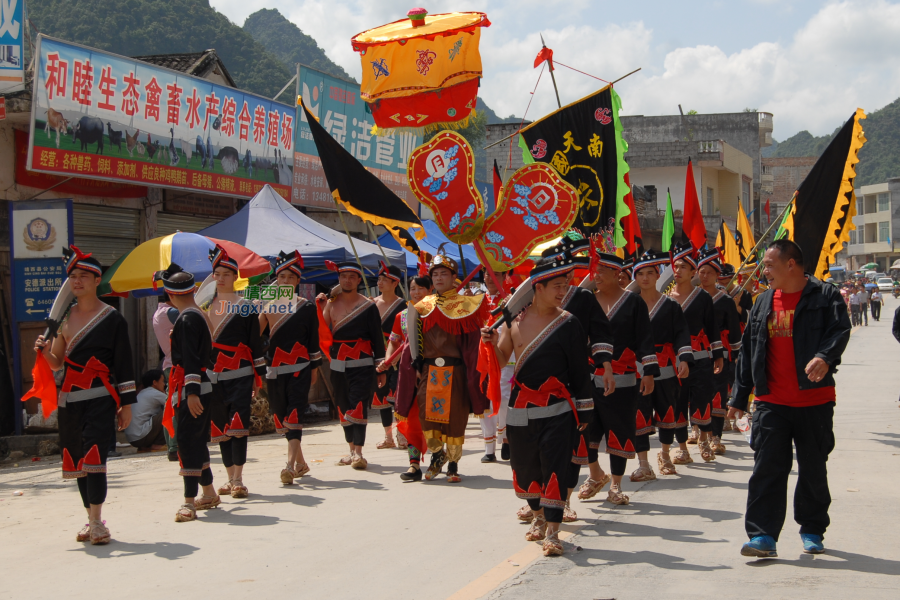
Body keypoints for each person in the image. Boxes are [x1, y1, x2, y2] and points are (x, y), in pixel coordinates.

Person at [729, 239, 851, 557]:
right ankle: (762, 536)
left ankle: (811, 529)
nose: (764, 270)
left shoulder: (825, 296)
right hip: (772, 402)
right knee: (767, 468)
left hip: (815, 400)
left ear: (791, 264)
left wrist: (824, 357)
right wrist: (738, 397)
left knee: (812, 468)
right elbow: (749, 352)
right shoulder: (762, 302)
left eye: (769, 265)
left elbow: (840, 329)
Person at [482, 255, 594, 556]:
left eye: (565, 285)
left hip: (558, 408)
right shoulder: (513, 320)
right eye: (557, 286)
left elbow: (580, 371)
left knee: (554, 466)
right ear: (538, 287)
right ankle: (538, 514)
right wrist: (491, 342)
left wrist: (585, 410)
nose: (563, 291)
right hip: (520, 407)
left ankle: (554, 533)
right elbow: (504, 358)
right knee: (525, 466)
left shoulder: (569, 323)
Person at [33, 246, 136, 545]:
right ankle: (91, 519)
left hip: (100, 400)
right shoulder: (65, 319)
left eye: (83, 276)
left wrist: (127, 404)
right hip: (70, 402)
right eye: (73, 276)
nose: (77, 281)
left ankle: (97, 521)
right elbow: (57, 363)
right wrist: (43, 351)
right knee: (77, 462)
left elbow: (124, 364)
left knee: (95, 459)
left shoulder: (112, 318)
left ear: (96, 279)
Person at [394, 250, 490, 483]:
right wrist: (414, 367)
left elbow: (471, 345)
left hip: (455, 369)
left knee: (455, 417)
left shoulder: (466, 305)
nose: (438, 278)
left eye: (443, 274)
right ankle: (437, 455)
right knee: (427, 416)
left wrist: (472, 374)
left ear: (453, 276)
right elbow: (412, 343)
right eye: (435, 274)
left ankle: (454, 463)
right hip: (428, 370)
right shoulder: (421, 306)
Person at [579, 248, 658, 505]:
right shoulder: (586, 301)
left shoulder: (633, 302)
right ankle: (594, 474)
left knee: (619, 430)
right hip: (589, 378)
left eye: (602, 271)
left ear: (617, 273)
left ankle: (615, 484)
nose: (597, 276)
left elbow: (645, 338)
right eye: (595, 271)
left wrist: (648, 372)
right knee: (587, 431)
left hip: (624, 378)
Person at [157, 264, 219, 523]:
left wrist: (191, 392)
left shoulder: (187, 318)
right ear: (193, 290)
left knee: (187, 442)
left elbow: (192, 360)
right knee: (195, 440)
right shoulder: (196, 315)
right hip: (200, 384)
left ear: (170, 296)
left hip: (191, 387)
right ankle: (209, 492)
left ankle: (189, 502)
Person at [204, 245, 266, 499]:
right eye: (217, 273)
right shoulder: (204, 306)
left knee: (238, 425)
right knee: (220, 427)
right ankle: (229, 478)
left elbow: (255, 344)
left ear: (235, 277)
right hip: (213, 375)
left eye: (226, 274)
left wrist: (257, 376)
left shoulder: (247, 306)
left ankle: (239, 478)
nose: (220, 278)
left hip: (240, 373)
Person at [317, 262, 386, 470]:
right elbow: (323, 330)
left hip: (363, 363)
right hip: (338, 363)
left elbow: (377, 338)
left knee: (358, 405)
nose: (347, 280)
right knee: (342, 404)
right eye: (343, 276)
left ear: (358, 281)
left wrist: (380, 367)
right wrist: (320, 308)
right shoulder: (331, 304)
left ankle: (358, 452)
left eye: (351, 277)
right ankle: (350, 449)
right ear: (339, 279)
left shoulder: (368, 305)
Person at [260, 251, 322, 485]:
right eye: (281, 277)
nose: (285, 281)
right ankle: (301, 462)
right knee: (281, 416)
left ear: (298, 281)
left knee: (295, 414)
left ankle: (288, 466)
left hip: (300, 368)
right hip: (274, 369)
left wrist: (314, 369)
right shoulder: (268, 305)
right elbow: (254, 335)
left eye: (289, 277)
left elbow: (313, 340)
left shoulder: (306, 307)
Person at [631, 249, 693, 478]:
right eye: (640, 274)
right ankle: (643, 463)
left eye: (650, 273)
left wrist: (684, 359)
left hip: (666, 368)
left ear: (658, 276)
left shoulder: (670, 306)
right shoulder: (629, 306)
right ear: (635, 277)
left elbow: (681, 335)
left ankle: (665, 454)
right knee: (640, 415)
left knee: (668, 412)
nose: (645, 278)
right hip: (636, 369)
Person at [668, 242, 724, 463]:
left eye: (683, 267)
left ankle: (703, 439)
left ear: (693, 272)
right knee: (678, 403)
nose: (678, 271)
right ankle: (682, 447)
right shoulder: (666, 298)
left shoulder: (702, 298)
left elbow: (712, 328)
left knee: (702, 400)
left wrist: (718, 355)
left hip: (700, 359)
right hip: (673, 363)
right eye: (676, 266)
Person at [380, 275, 433, 481]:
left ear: (430, 290)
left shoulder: (439, 314)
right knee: (411, 418)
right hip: (409, 373)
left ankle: (441, 457)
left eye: (421, 288)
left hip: (435, 373)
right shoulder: (402, 316)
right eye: (413, 288)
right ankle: (413, 464)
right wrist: (387, 360)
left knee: (436, 418)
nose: (417, 292)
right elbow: (394, 342)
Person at [697, 248, 742, 455]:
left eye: (709, 273)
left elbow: (733, 331)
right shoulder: (693, 299)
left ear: (716, 276)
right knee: (698, 395)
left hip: (720, 355)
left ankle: (715, 437)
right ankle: (698, 431)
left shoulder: (725, 301)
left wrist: (734, 356)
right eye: (701, 272)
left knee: (717, 395)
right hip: (697, 353)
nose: (704, 276)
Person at [371, 262, 407, 449]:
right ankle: (388, 437)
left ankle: (401, 433)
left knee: (397, 396)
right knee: (381, 396)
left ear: (395, 283)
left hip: (397, 353)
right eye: (379, 279)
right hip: (378, 354)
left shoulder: (403, 305)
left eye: (385, 279)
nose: (381, 282)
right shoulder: (371, 303)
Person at [479, 268, 511, 463]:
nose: (491, 278)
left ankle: (506, 438)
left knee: (505, 398)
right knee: (484, 401)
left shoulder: (511, 299)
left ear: (504, 276)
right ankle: (488, 448)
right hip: (481, 356)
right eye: (487, 274)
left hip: (504, 355)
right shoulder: (475, 299)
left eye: (496, 274)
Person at [153, 294, 180, 461]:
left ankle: (173, 445)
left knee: (171, 402)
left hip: (170, 363)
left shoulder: (158, 312)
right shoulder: (170, 312)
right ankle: (175, 445)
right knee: (176, 404)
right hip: (176, 364)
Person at [124, 370, 168, 453]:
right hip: (140, 436)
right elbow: (173, 403)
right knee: (170, 411)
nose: (164, 384)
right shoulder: (154, 393)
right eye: (162, 381)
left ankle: (144, 447)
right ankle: (158, 444)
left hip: (133, 439)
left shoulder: (142, 393)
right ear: (154, 382)